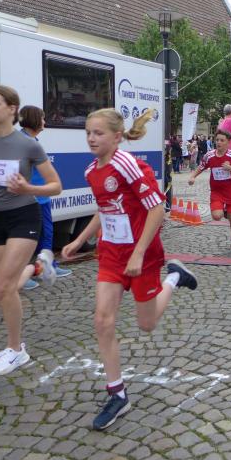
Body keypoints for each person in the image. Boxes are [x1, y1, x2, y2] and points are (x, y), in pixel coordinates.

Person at [61, 107, 197, 431]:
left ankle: (174, 276)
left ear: (117, 136)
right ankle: (118, 394)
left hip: (142, 256)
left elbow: (157, 210)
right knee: (102, 320)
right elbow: (104, 209)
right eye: (88, 133)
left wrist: (138, 253)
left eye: (98, 133)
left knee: (146, 324)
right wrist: (78, 240)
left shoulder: (129, 166)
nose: (91, 138)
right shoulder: (91, 171)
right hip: (111, 254)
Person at [0, 86, 62, 376]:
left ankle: (16, 349)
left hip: (24, 217)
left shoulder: (28, 146)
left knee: (6, 287)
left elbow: (55, 186)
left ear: (12, 109)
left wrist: (28, 188)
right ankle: (37, 267)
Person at [18, 105, 72, 289]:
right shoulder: (24, 143)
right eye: (41, 118)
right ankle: (20, 275)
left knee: (45, 235)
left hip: (41, 198)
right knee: (27, 240)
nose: (44, 121)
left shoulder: (30, 140)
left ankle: (47, 268)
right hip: (32, 200)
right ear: (34, 120)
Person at [188, 129, 231, 251]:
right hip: (216, 191)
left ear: (228, 143)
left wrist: (230, 168)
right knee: (217, 216)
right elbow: (201, 167)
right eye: (217, 140)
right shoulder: (209, 155)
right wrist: (193, 177)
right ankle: (225, 211)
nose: (218, 142)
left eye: (222, 140)